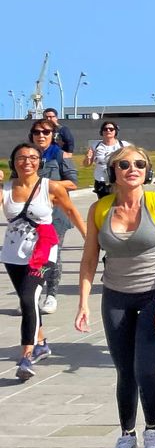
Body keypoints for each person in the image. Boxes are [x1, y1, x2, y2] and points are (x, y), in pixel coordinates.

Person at [76, 146, 155, 448]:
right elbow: (90, 259)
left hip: (154, 295)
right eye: (124, 164)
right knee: (124, 371)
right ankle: (126, 436)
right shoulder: (100, 209)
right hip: (116, 297)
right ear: (114, 171)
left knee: (146, 369)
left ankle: (153, 431)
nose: (132, 168)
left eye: (139, 163)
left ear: (146, 171)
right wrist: (83, 302)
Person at [3, 143, 86, 380]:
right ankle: (41, 343)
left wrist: (88, 238)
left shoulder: (51, 187)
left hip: (42, 252)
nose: (27, 161)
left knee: (29, 299)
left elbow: (71, 211)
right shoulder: (6, 189)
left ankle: (26, 357)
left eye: (32, 157)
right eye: (21, 157)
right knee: (27, 300)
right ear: (13, 161)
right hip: (13, 254)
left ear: (40, 162)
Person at [29, 118, 78, 314]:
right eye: (37, 132)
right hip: (30, 215)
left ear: (52, 136)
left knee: (51, 256)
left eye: (46, 132)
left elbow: (73, 182)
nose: (41, 135)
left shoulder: (60, 156)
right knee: (31, 256)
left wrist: (45, 185)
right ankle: (32, 292)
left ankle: (51, 295)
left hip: (55, 215)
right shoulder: (25, 156)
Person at [85, 120, 128, 197]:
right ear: (102, 131)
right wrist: (88, 157)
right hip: (101, 181)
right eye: (105, 129)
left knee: (118, 204)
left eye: (111, 129)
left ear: (115, 131)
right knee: (103, 205)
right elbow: (87, 164)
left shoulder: (123, 145)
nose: (108, 130)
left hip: (118, 180)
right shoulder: (96, 145)